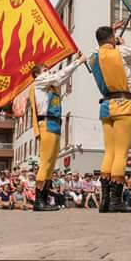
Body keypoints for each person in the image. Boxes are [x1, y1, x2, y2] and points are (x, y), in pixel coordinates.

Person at [87, 23, 131, 213]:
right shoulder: (121, 51)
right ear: (111, 38)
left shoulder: (94, 57)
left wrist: (111, 35)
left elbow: (97, 49)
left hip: (105, 106)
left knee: (109, 152)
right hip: (123, 104)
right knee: (120, 153)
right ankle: (116, 200)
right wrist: (119, 42)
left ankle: (105, 201)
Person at [29, 52, 86, 211]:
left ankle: (44, 199)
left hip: (54, 124)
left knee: (51, 164)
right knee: (45, 162)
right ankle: (38, 200)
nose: (49, 71)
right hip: (46, 123)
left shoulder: (51, 86)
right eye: (45, 69)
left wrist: (75, 62)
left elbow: (64, 77)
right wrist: (78, 62)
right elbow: (59, 76)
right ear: (37, 74)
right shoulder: (39, 82)